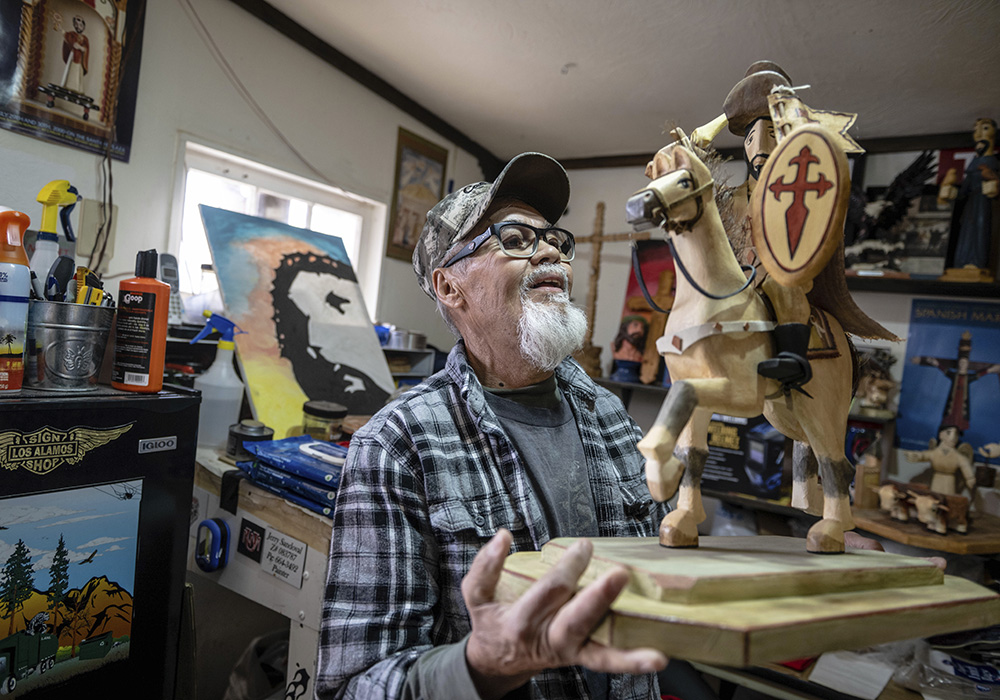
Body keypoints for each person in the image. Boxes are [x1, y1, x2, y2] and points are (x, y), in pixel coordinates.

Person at [316, 152, 671, 700]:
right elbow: (354, 686)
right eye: (514, 238)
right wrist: (481, 667)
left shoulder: (610, 415)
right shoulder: (397, 445)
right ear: (450, 287)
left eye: (554, 238)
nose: (552, 249)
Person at [940, 117, 1000, 271]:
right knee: (967, 232)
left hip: (985, 203)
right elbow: (963, 191)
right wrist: (950, 190)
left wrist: (993, 178)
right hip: (972, 203)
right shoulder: (974, 163)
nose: (978, 135)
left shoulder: (994, 162)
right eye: (976, 131)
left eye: (985, 129)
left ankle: (978, 262)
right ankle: (963, 262)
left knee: (982, 229)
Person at [61, 15, 89, 93]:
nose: (78, 27)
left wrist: (80, 47)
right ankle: (66, 86)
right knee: (70, 71)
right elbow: (67, 37)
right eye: (76, 25)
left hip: (79, 59)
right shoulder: (72, 34)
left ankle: (77, 89)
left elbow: (86, 49)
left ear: (83, 26)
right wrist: (60, 28)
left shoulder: (85, 39)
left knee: (77, 73)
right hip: (72, 57)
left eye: (80, 25)